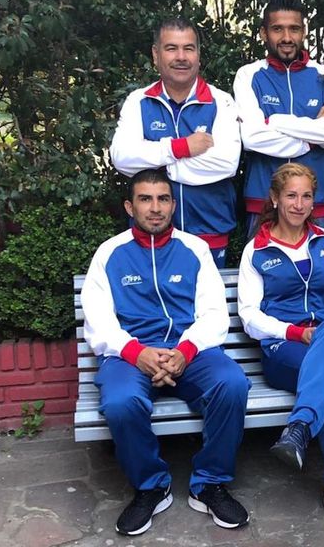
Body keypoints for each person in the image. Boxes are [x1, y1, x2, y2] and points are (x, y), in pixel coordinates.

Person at [81, 169, 250, 536]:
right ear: (130, 206)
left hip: (190, 351)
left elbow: (214, 313)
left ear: (173, 205)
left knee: (233, 383)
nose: (154, 208)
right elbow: (97, 320)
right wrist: (135, 352)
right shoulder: (109, 253)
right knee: (121, 402)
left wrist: (185, 350)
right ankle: (151, 487)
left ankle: (209, 484)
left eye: (162, 199)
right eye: (145, 199)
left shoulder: (195, 249)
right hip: (131, 355)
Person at [237, 163, 324, 539]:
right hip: (284, 350)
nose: (299, 203)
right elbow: (249, 317)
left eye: (306, 195)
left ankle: (299, 428)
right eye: (291, 195)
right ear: (275, 199)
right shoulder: (256, 251)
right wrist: (295, 332)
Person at [110, 18, 240, 268]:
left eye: (188, 48)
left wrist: (157, 163)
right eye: (171, 48)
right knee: (152, 305)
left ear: (198, 56)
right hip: (150, 234)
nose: (181, 56)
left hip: (209, 230)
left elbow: (226, 163)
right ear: (156, 55)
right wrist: (181, 148)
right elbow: (122, 158)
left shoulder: (220, 102)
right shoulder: (139, 101)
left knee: (206, 305)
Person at [233, 0, 324, 235]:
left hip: (313, 203)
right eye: (277, 29)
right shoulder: (248, 75)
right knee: (261, 270)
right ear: (264, 33)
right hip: (262, 199)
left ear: (304, 32)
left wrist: (274, 121)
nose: (287, 37)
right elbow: (253, 138)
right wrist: (312, 137)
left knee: (315, 272)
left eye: (294, 29)